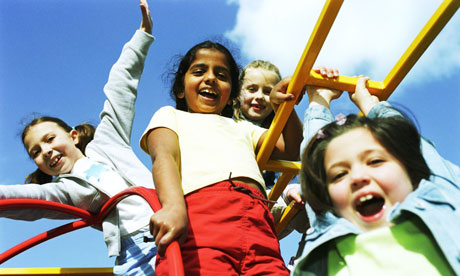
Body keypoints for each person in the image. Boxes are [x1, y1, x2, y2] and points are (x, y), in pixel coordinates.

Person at [0, 1, 157, 275]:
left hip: (172, 223)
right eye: (36, 152)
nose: (45, 151)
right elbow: (27, 199)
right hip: (136, 251)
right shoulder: (66, 191)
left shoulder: (108, 142)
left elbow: (120, 89)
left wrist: (141, 37)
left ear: (73, 136)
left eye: (49, 139)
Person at [140, 42, 303, 275]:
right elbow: (164, 157)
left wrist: (283, 106)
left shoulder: (242, 127)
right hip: (202, 221)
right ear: (179, 89)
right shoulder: (171, 116)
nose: (211, 78)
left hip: (259, 223)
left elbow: (289, 149)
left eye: (221, 75)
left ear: (230, 97)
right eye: (199, 71)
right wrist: (173, 207)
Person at [292, 76, 460, 275]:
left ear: (409, 171)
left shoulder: (442, 204)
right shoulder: (328, 251)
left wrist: (371, 104)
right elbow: (314, 168)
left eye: (375, 161)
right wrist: (318, 101)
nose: (357, 177)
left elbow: (417, 148)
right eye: (339, 175)